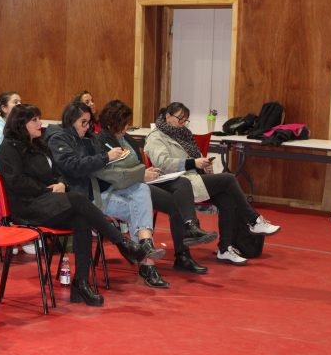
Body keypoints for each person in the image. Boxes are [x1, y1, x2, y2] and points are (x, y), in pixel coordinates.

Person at [0, 104, 149, 306]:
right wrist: (49, 190)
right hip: (28, 207)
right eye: (34, 120)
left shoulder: (39, 144)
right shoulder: (8, 148)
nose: (40, 123)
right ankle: (121, 242)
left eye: (39, 118)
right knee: (78, 198)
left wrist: (61, 183)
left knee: (81, 219)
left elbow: (58, 171)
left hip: (49, 202)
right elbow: (15, 182)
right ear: (20, 124)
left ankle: (81, 283)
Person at [48, 102, 169, 288]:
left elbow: (101, 168)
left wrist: (113, 162)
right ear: (71, 120)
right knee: (141, 207)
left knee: (142, 191)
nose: (87, 127)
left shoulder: (88, 139)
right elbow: (78, 167)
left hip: (99, 191)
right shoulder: (61, 139)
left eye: (89, 122)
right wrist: (107, 157)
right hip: (86, 198)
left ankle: (145, 248)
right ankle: (147, 263)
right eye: (83, 122)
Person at [145, 102, 281, 266]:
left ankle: (225, 249)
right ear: (167, 116)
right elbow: (164, 163)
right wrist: (193, 163)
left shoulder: (184, 134)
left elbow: (196, 161)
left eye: (185, 120)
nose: (182, 123)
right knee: (229, 178)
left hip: (194, 178)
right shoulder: (155, 137)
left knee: (227, 199)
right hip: (176, 182)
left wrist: (206, 167)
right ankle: (254, 220)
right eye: (180, 119)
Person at [95, 100, 216, 275]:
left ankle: (183, 252)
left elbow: (136, 164)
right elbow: (113, 174)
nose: (126, 128)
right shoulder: (101, 141)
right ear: (110, 123)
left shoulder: (127, 138)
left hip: (139, 182)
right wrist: (141, 174)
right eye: (122, 124)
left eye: (126, 123)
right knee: (169, 198)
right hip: (123, 188)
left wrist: (146, 171)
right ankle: (169, 251)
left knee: (178, 197)